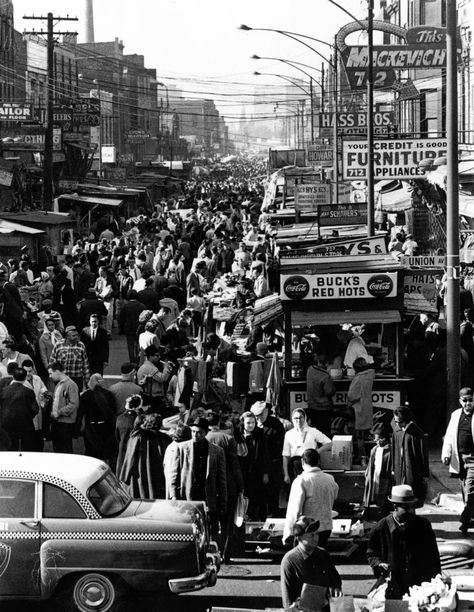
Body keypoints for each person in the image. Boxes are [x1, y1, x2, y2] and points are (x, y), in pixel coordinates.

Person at [366, 484, 440, 600]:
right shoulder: (379, 528)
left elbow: (433, 556)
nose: (411, 510)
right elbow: (372, 553)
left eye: (412, 506)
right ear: (395, 506)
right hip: (393, 585)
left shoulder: (423, 526)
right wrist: (379, 564)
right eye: (406, 507)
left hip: (419, 586)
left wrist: (435, 583)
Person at [169, 416, 227, 541]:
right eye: (193, 431)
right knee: (188, 530)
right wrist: (173, 495)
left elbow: (221, 479)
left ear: (206, 433)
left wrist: (223, 501)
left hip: (208, 497)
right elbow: (174, 474)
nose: (196, 435)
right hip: (188, 496)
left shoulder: (217, 451)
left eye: (199, 432)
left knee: (210, 531)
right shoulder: (182, 448)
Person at [281, 516, 342, 610]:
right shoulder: (289, 560)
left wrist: (336, 588)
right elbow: (287, 599)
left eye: (317, 534)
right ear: (300, 537)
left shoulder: (323, 554)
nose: (315, 538)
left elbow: (335, 579)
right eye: (311, 535)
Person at [283, 449, 339, 549]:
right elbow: (334, 497)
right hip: (326, 527)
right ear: (319, 461)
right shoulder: (330, 479)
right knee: (320, 558)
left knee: (305, 560)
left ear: (302, 462)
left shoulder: (301, 481)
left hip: (307, 530)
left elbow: (294, 510)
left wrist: (288, 533)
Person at [442, 387, 474, 534]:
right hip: (459, 458)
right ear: (460, 401)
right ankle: (470, 516)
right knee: (464, 490)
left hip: (473, 459)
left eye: (471, 400)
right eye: (465, 400)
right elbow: (449, 436)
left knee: (470, 490)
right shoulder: (455, 415)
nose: (468, 403)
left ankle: (465, 521)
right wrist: (446, 454)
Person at [119, 413, 171, 499]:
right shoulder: (165, 439)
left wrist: (124, 478)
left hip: (140, 475)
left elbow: (129, 460)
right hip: (159, 475)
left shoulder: (137, 437)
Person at [234, 410, 271, 521]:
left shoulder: (260, 434)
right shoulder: (237, 435)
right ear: (243, 423)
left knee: (258, 498)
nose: (251, 425)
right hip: (242, 471)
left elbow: (265, 454)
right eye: (248, 423)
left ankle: (258, 520)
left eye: (253, 423)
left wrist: (265, 472)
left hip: (257, 471)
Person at [250, 401, 284, 517]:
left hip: (273, 464)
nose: (259, 417)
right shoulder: (253, 424)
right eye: (256, 415)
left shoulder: (276, 424)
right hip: (258, 465)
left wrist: (268, 469)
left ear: (266, 411)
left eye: (260, 414)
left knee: (272, 493)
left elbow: (278, 447)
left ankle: (272, 516)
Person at [283, 409, 332, 484]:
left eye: (301, 417)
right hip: (295, 466)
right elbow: (285, 455)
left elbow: (329, 443)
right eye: (296, 418)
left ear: (305, 418)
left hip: (311, 464)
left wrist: (316, 452)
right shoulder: (289, 434)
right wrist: (286, 474)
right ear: (292, 419)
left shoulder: (312, 431)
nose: (298, 420)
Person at [392, 406, 429, 504]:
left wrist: (425, 473)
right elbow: (394, 450)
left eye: (400, 422)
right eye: (396, 421)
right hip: (399, 469)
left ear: (406, 420)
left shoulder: (417, 433)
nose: (398, 424)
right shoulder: (397, 431)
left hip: (412, 470)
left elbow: (423, 455)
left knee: (412, 495)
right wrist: (393, 468)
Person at [78, 373, 116, 463]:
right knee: (105, 452)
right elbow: (113, 409)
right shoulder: (108, 394)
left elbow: (81, 412)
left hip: (90, 428)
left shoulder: (85, 396)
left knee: (91, 452)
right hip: (105, 427)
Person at [0, 366, 38, 451]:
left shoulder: (4, 391)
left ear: (13, 376)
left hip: (7, 425)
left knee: (10, 449)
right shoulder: (29, 392)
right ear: (25, 378)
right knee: (26, 450)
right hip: (25, 424)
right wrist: (27, 415)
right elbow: (35, 409)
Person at [347, 357, 375, 465]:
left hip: (358, 409)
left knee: (359, 436)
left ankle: (361, 458)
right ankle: (365, 457)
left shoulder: (358, 378)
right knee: (364, 434)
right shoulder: (370, 375)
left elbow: (352, 395)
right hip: (367, 406)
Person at [48, 361, 80, 454]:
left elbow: (74, 404)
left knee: (65, 449)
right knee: (58, 449)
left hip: (65, 423)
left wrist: (58, 412)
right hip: (57, 422)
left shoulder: (71, 385)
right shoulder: (58, 384)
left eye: (51, 373)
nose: (50, 376)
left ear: (57, 371)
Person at [49, 325, 90, 392]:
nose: (76, 337)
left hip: (76, 378)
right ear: (67, 336)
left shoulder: (81, 345)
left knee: (76, 398)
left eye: (77, 335)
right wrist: (51, 375)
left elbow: (85, 363)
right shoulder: (58, 345)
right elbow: (52, 360)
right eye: (73, 335)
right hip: (61, 378)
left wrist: (87, 378)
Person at [363, 424, 393, 515]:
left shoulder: (390, 450)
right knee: (372, 492)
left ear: (386, 438)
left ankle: (384, 510)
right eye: (376, 440)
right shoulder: (375, 449)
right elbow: (371, 464)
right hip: (375, 475)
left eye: (380, 439)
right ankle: (368, 509)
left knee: (384, 493)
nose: (378, 442)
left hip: (385, 476)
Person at [306, 352, 336, 436]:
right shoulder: (325, 376)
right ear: (326, 363)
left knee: (314, 432)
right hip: (324, 408)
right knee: (324, 434)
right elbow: (329, 391)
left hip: (312, 406)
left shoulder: (310, 369)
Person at [115, 394, 143, 476]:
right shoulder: (138, 420)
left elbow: (117, 436)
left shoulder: (119, 418)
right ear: (137, 407)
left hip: (122, 449)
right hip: (134, 451)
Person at [118, 290, 146, 362]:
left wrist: (120, 328)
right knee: (140, 345)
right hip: (140, 328)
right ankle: (139, 359)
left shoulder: (125, 306)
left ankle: (132, 361)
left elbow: (121, 318)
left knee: (131, 346)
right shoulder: (142, 306)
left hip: (129, 328)